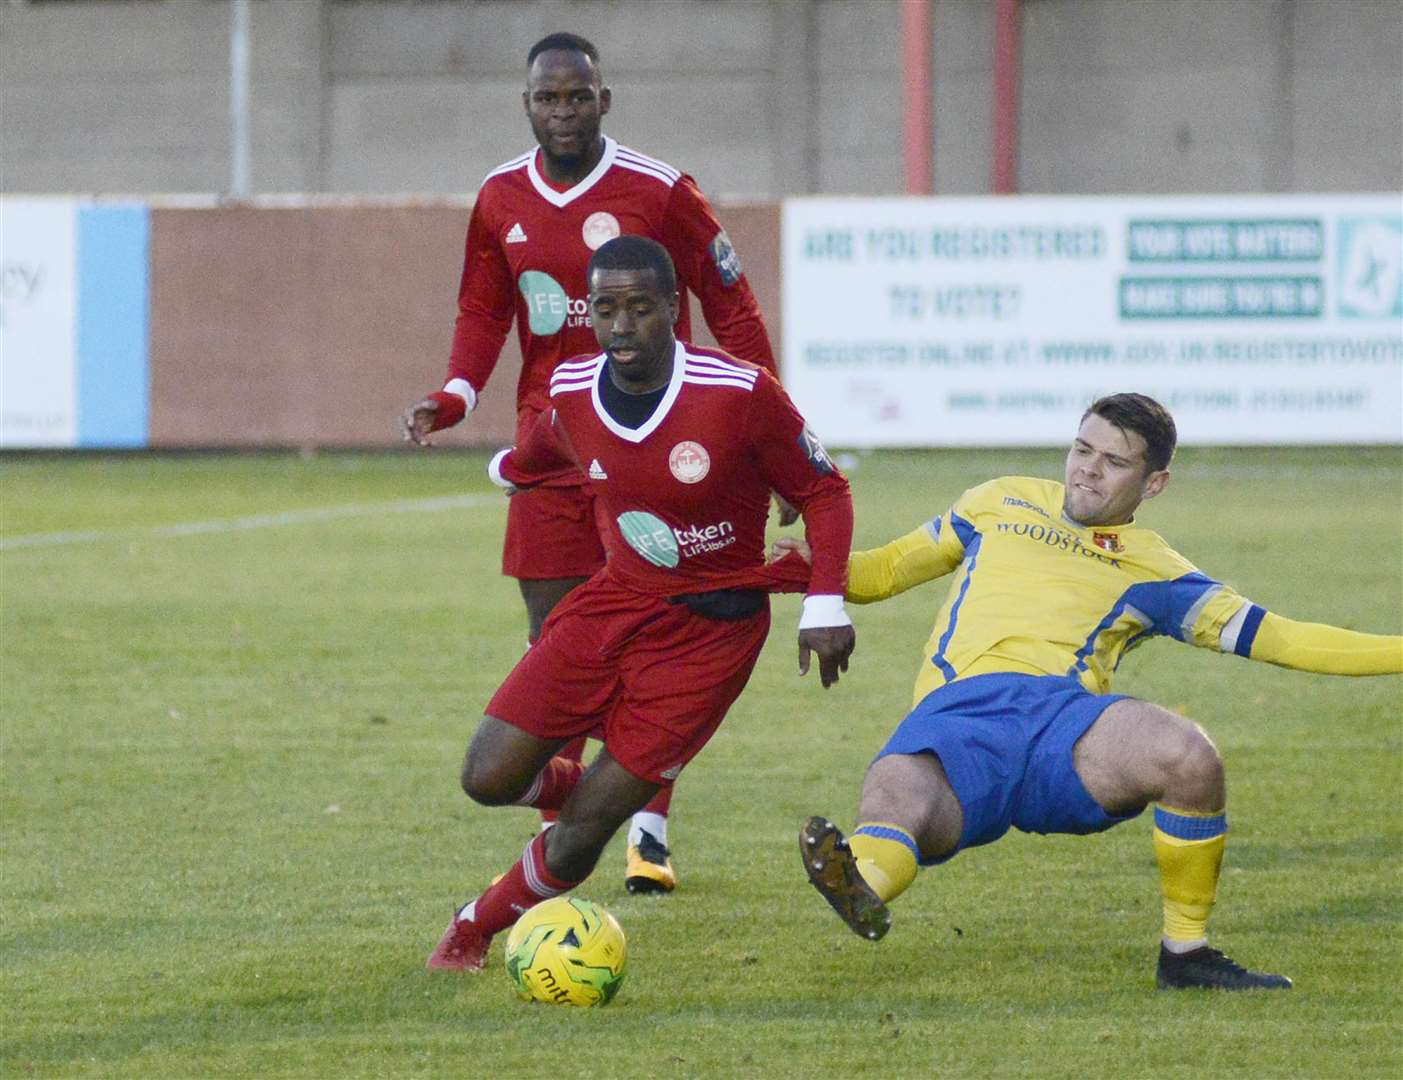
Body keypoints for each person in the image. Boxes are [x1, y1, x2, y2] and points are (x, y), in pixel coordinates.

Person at [778, 393, 1402, 990]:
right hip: (959, 715)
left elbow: (1285, 639)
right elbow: (886, 569)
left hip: (1065, 727)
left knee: (1189, 754)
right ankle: (859, 884)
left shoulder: (1160, 570)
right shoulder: (1002, 501)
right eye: (1082, 450)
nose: (1087, 471)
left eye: (1113, 461)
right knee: (896, 798)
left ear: (1153, 484)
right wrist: (803, 568)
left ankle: (1186, 954)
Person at [400, 32, 791, 894]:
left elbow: (733, 308)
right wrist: (458, 395)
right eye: (549, 98)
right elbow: (482, 306)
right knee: (559, 646)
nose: (564, 111)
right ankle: (568, 829)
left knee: (658, 638)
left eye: (579, 96)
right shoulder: (500, 196)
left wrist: (769, 436)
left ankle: (646, 824)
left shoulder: (659, 190)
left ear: (604, 100)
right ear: (528, 104)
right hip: (551, 448)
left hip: (661, 445)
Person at [426, 236, 856, 972]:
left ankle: (472, 927)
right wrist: (509, 469)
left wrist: (823, 606)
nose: (620, 325)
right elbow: (543, 447)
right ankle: (597, 785)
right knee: (486, 777)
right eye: (604, 309)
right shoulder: (570, 387)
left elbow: (824, 488)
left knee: (584, 829)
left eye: (639, 308)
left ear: (672, 309)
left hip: (710, 633)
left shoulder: (737, 391)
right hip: (614, 604)